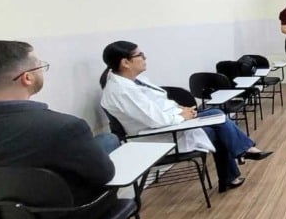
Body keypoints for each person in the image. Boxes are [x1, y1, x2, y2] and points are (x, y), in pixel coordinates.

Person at [0, 40, 138, 219]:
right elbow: (105, 175)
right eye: (39, 66)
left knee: (105, 141)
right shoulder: (63, 127)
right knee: (105, 147)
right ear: (27, 77)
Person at [99, 41, 272, 194]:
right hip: (159, 135)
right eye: (140, 55)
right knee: (219, 128)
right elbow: (155, 120)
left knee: (218, 116)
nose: (145, 58)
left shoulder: (134, 81)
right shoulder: (122, 91)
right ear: (125, 62)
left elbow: (159, 103)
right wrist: (181, 115)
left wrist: (181, 109)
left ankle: (240, 157)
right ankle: (240, 157)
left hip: (171, 123)